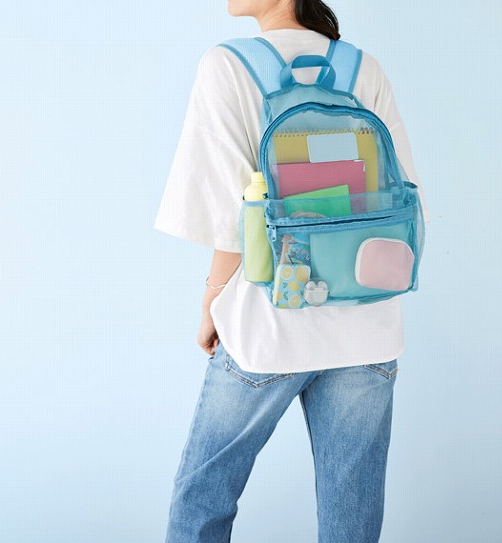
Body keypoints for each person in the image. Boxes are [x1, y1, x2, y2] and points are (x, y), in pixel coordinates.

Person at [153, 0, 431, 541]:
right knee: (351, 518)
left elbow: (229, 219)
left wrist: (213, 298)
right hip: (368, 326)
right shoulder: (362, 69)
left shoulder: (227, 65)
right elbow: (406, 197)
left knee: (202, 496)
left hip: (268, 323)